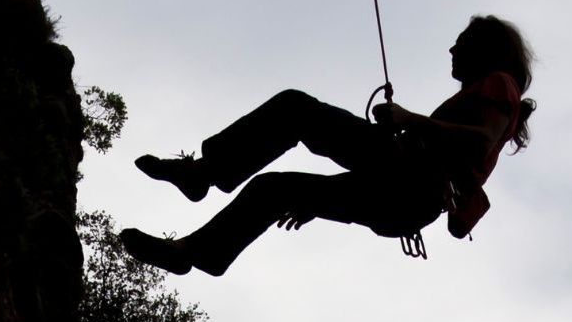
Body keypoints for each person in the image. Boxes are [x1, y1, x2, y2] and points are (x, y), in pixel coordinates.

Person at [119, 14, 536, 276]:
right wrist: (319, 202)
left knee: (294, 109)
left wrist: (410, 120)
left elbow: (480, 143)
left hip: (407, 181)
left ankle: (203, 174)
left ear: (484, 50)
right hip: (406, 201)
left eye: (461, 41)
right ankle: (191, 251)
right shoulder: (491, 91)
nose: (452, 47)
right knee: (274, 190)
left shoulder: (500, 84)